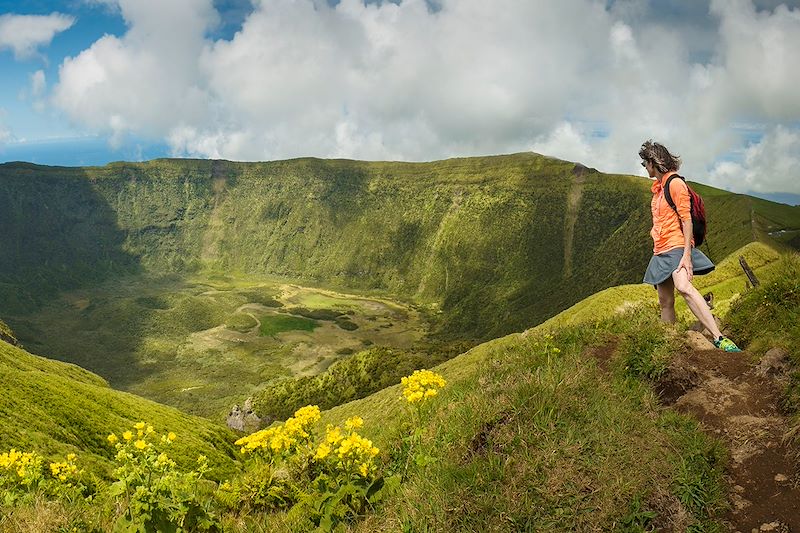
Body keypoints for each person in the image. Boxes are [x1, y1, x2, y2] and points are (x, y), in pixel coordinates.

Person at [639, 140, 741, 352]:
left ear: (653, 162)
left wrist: (687, 255)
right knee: (665, 301)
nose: (644, 168)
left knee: (684, 287)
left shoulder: (675, 184)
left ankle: (719, 337)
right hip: (661, 250)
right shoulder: (658, 190)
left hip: (676, 246)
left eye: (644, 163)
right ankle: (670, 345)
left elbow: (686, 220)